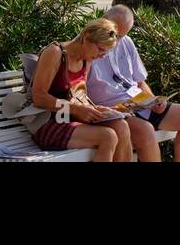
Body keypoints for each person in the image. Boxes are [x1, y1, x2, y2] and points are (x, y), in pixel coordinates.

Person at [88, 5, 180, 161]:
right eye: (113, 33)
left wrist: (153, 99)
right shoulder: (89, 47)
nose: (115, 40)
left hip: (138, 102)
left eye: (120, 36)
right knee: (146, 131)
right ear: (104, 18)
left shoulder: (127, 42)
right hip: (114, 109)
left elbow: (140, 82)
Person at [27, 18, 132, 161]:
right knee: (108, 136)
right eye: (101, 49)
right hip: (49, 122)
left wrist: (93, 109)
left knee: (121, 127)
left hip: (71, 119)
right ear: (85, 38)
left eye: (105, 52)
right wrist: (76, 109)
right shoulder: (55, 53)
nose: (102, 56)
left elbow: (80, 96)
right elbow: (38, 97)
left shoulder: (86, 59)